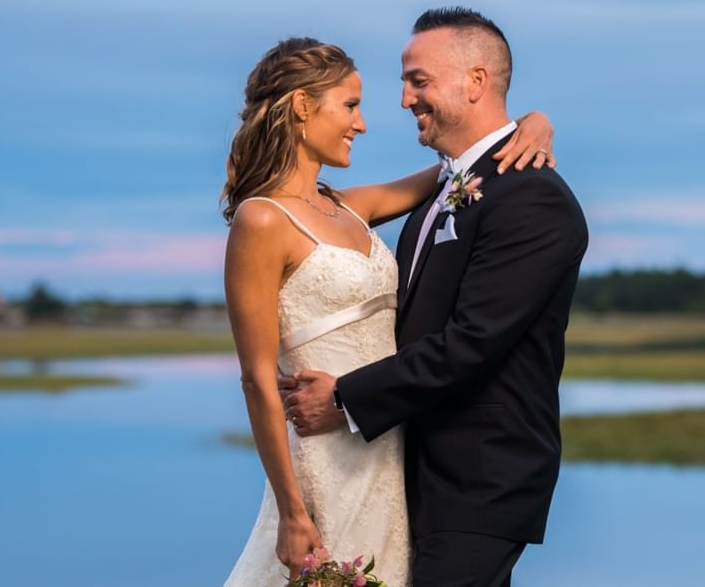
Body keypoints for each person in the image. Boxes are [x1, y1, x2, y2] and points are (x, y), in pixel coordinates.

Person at [221, 36, 555, 586]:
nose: (363, 123)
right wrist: (291, 510)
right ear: (303, 107)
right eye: (349, 106)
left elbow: (466, 168)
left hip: (389, 452)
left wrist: (533, 124)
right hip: (326, 459)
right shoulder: (260, 222)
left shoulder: (351, 207)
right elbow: (258, 379)